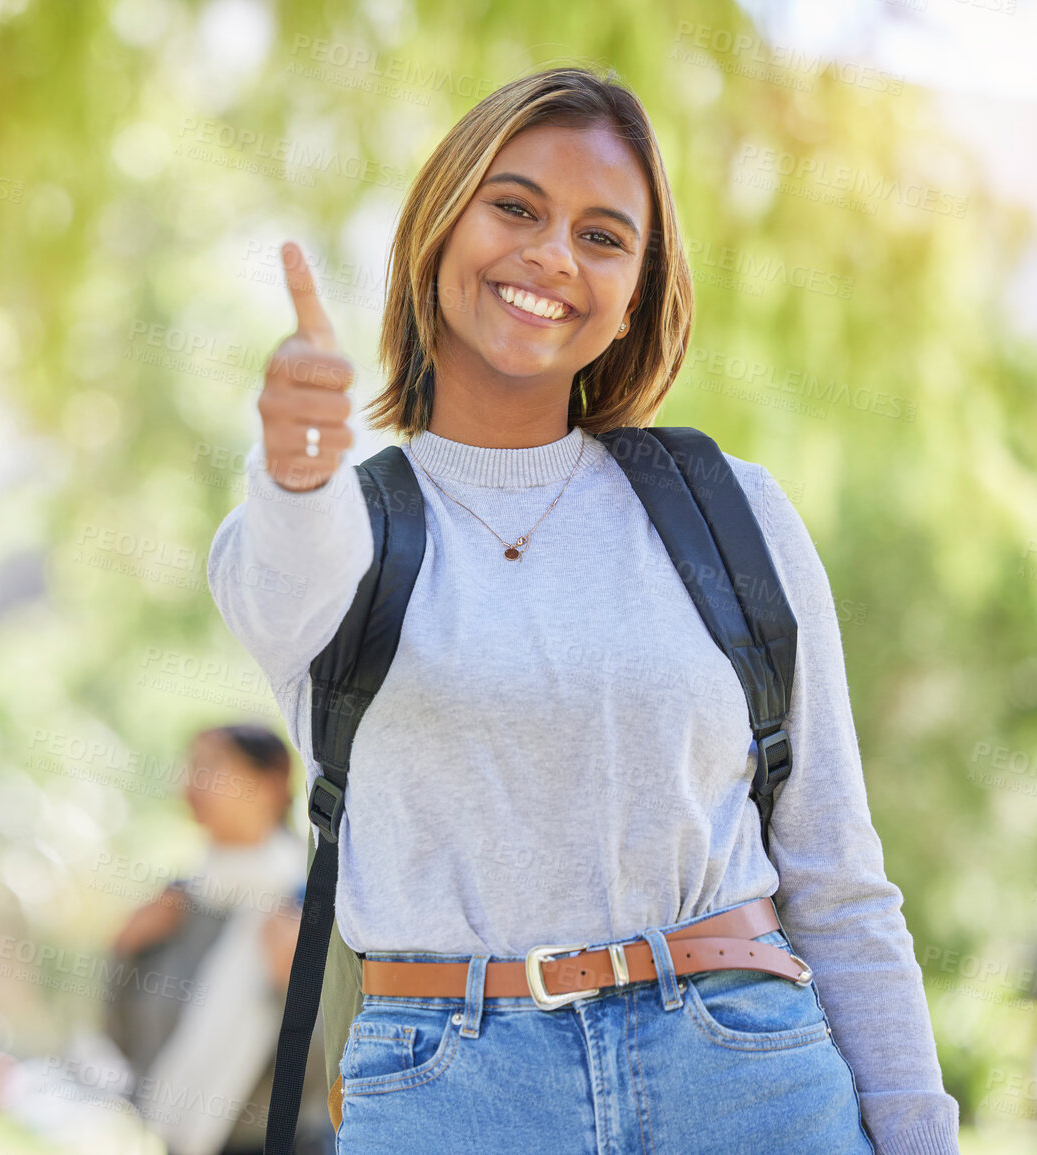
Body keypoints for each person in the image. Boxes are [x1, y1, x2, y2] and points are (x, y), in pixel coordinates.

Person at [205, 65, 960, 1154]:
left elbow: (838, 880)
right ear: (438, 231)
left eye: (605, 237)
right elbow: (283, 574)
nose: (554, 255)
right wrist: (293, 464)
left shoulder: (729, 512)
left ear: (636, 299)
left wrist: (920, 1137)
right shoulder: (337, 530)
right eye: (515, 207)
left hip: (744, 1073)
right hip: (452, 1094)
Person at [104, 723, 331, 1155]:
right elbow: (120, 1037)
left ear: (272, 781)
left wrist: (295, 987)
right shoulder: (174, 904)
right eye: (190, 767)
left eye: (211, 768)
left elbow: (340, 1060)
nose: (190, 783)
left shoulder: (316, 904)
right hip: (177, 1139)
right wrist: (122, 952)